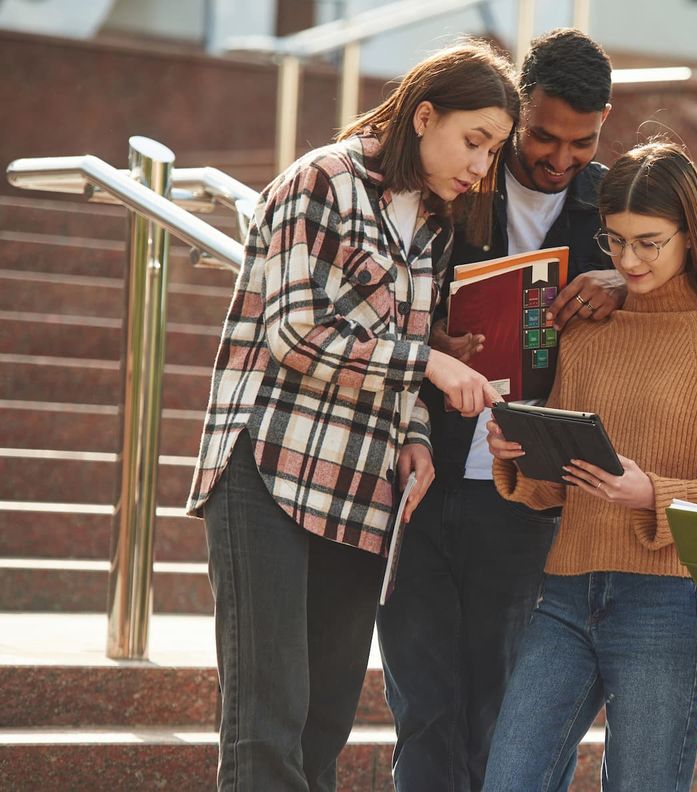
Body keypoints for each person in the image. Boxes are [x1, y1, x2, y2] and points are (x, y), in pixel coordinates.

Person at [185, 41, 517, 792]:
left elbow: (400, 352)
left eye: (493, 151)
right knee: (266, 723)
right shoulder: (322, 180)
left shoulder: (432, 227)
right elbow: (298, 334)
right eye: (474, 141)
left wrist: (417, 436)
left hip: (359, 490)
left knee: (323, 726)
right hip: (267, 468)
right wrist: (430, 363)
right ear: (424, 114)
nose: (481, 166)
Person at [480, 141, 697, 792]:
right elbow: (560, 483)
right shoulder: (587, 332)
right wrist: (520, 458)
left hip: (663, 603)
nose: (628, 260)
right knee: (508, 779)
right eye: (614, 242)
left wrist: (652, 494)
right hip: (565, 589)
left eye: (649, 242)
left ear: (690, 234)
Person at [375, 28, 622, 792]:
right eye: (542, 136)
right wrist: (432, 340)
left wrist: (622, 284)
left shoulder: (609, 207)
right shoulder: (455, 180)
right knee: (424, 704)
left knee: (505, 709)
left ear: (603, 123)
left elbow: (690, 287)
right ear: (516, 111)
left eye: (581, 142)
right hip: (420, 471)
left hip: (526, 495)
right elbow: (382, 299)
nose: (558, 158)